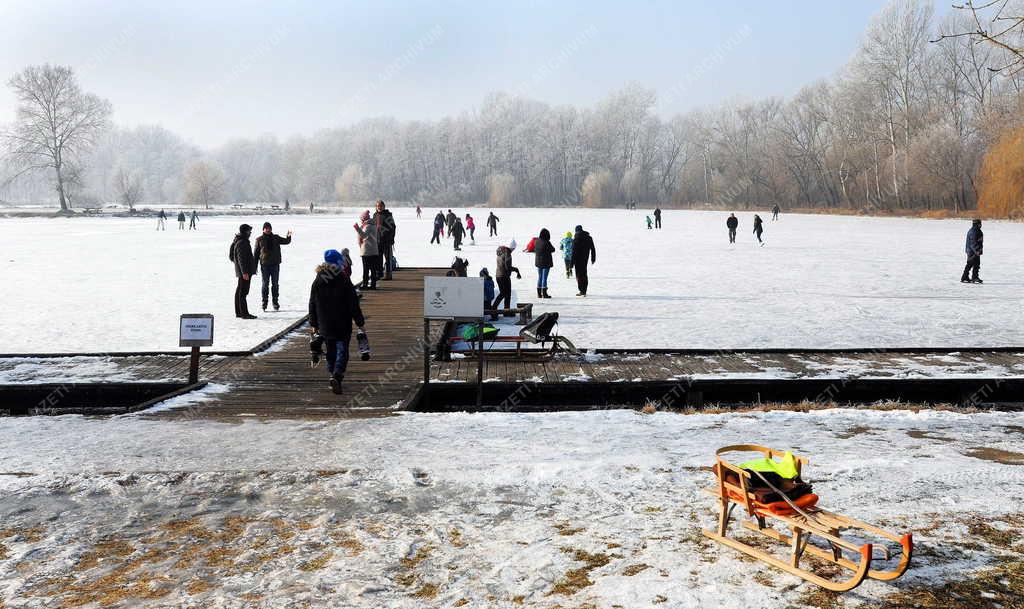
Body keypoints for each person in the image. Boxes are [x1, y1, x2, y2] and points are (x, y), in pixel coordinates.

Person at [310, 249, 366, 395]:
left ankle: (331, 375)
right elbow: (353, 302)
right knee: (342, 351)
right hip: (342, 323)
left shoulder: (318, 280)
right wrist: (359, 321)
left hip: (325, 324)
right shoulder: (343, 279)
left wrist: (314, 324)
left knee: (331, 351)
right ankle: (337, 375)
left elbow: (312, 303)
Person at [254, 221, 293, 312]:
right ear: (263, 229)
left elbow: (286, 241)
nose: (268, 229)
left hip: (275, 265)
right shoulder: (259, 239)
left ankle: (275, 302)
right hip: (265, 266)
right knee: (265, 285)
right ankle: (264, 302)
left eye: (269, 228)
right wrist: (254, 267)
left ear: (271, 229)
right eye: (266, 228)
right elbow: (255, 255)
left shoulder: (276, 237)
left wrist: (289, 235)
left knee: (275, 284)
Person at [229, 224, 258, 319]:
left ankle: (239, 312)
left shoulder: (239, 240)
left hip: (242, 271)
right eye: (249, 231)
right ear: (245, 231)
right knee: (243, 292)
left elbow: (233, 257)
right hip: (244, 272)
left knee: (239, 291)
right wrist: (244, 272)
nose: (250, 233)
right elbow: (241, 258)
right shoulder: (242, 242)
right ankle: (244, 313)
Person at [492, 242, 522, 313]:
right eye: (514, 248)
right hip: (504, 276)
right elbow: (507, 267)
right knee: (506, 294)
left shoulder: (500, 251)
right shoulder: (507, 253)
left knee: (504, 293)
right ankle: (495, 308)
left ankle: (502, 310)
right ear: (512, 247)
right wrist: (516, 270)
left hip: (498, 275)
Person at [354, 210, 380, 290]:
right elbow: (377, 238)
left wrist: (357, 228)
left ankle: (365, 285)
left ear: (364, 219)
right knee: (373, 269)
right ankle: (373, 285)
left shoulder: (368, 226)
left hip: (367, 251)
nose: (361, 221)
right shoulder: (373, 225)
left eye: (361, 219)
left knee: (366, 269)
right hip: (374, 251)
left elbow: (364, 236)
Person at [372, 200, 396, 280]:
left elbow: (393, 227)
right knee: (378, 259)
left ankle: (388, 275)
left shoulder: (388, 215)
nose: (379, 207)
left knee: (388, 259)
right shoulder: (375, 215)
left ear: (384, 206)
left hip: (386, 241)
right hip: (377, 240)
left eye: (381, 206)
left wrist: (392, 239)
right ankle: (379, 274)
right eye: (378, 206)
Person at [571, 225, 596, 297]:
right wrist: (593, 258)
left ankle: (581, 290)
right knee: (584, 274)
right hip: (585, 259)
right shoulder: (589, 238)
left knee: (579, 275)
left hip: (577, 260)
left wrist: (571, 263)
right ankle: (584, 290)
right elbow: (593, 249)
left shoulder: (576, 238)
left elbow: (574, 251)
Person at [533, 228, 555, 299]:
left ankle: (539, 294)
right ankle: (544, 294)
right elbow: (553, 249)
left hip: (538, 262)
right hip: (546, 262)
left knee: (540, 277)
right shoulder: (547, 242)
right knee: (544, 278)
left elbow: (534, 249)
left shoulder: (536, 241)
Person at [961, 219, 984, 284]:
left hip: (973, 251)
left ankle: (967, 277)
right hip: (972, 251)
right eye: (980, 224)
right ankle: (972, 277)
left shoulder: (976, 230)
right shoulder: (974, 231)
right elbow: (973, 243)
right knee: (972, 264)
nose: (981, 225)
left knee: (974, 264)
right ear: (977, 224)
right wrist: (977, 250)